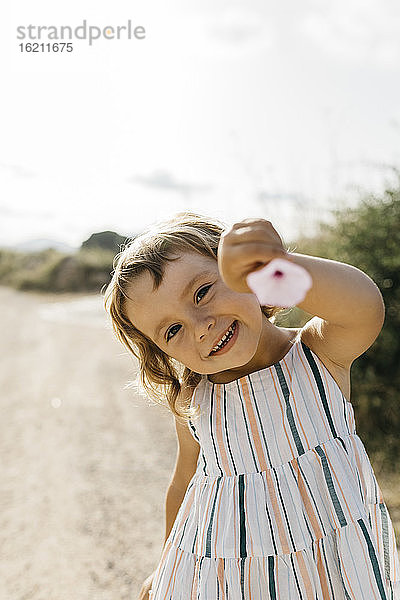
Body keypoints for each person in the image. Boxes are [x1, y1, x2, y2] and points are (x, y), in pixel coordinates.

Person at [104, 212, 400, 599]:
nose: (199, 325)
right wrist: (163, 563)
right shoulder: (196, 400)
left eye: (202, 292)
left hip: (331, 565)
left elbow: (364, 307)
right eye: (173, 330)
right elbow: (183, 483)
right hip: (231, 576)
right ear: (161, 353)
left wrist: (278, 270)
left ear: (243, 273)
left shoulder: (317, 356)